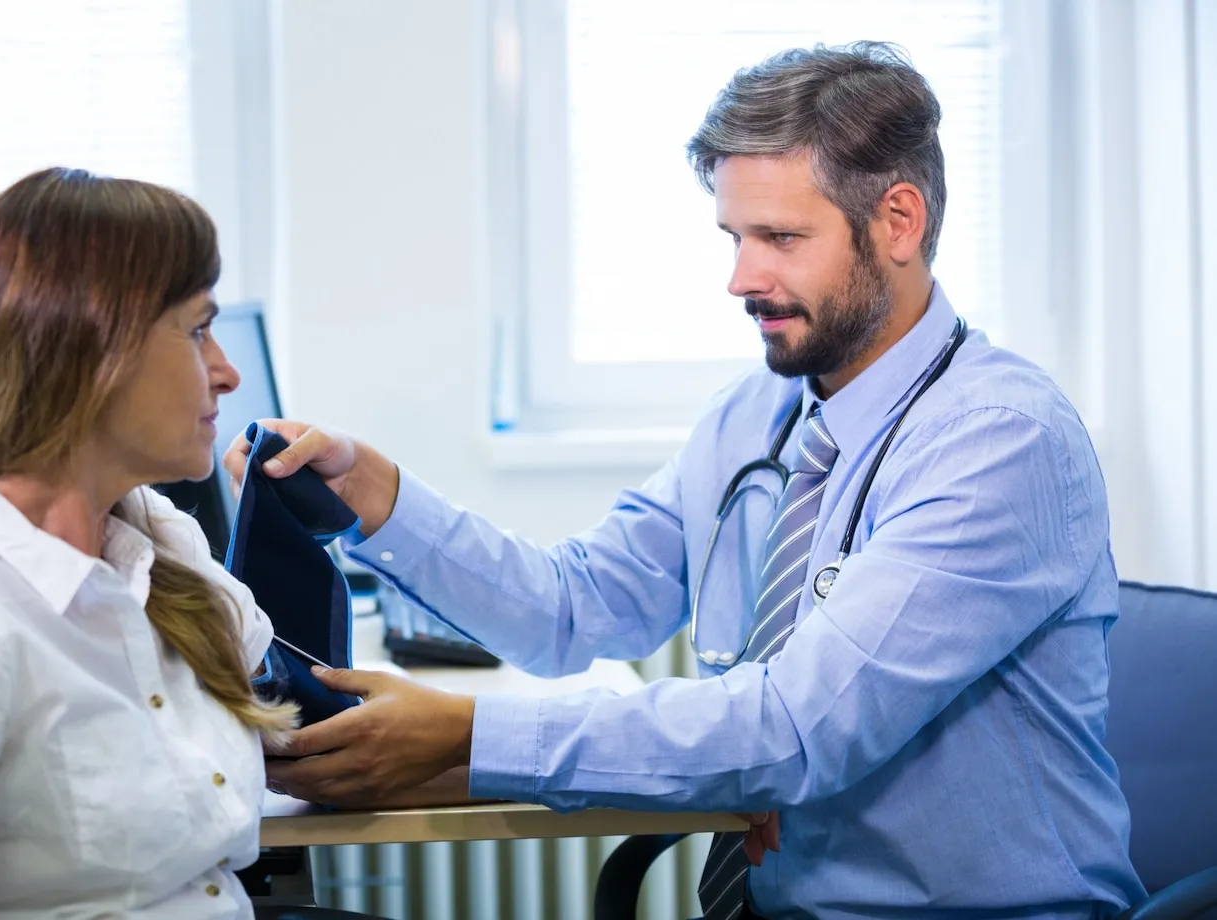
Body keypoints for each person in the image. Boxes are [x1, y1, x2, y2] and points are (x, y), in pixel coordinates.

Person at [234, 43, 1146, 920]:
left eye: (781, 237)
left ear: (898, 221)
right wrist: (381, 500)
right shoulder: (757, 413)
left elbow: (793, 729)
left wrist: (473, 739)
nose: (742, 277)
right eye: (734, 236)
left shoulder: (999, 443)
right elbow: (574, 609)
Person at [0, 168, 339, 919]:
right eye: (198, 331)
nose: (227, 372)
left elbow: (318, 726)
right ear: (90, 349)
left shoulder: (151, 537)